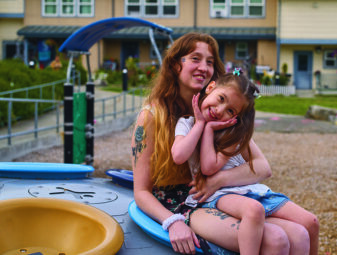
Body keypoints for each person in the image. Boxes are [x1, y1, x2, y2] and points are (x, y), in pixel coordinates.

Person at [131, 32, 319, 254]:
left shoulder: (220, 115)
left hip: (218, 195)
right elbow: (141, 190)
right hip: (184, 205)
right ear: (175, 64)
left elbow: (261, 167)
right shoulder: (153, 116)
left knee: (301, 231)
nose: (203, 67)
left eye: (209, 62)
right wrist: (172, 221)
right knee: (276, 239)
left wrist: (216, 181)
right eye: (195, 58)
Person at [172, 70, 319, 255]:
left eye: (230, 111)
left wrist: (209, 128)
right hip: (216, 197)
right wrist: (202, 125)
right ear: (211, 87)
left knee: (309, 224)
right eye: (221, 98)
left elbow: (264, 169)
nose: (219, 110)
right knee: (259, 216)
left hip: (247, 190)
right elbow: (180, 156)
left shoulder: (231, 133)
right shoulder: (187, 123)